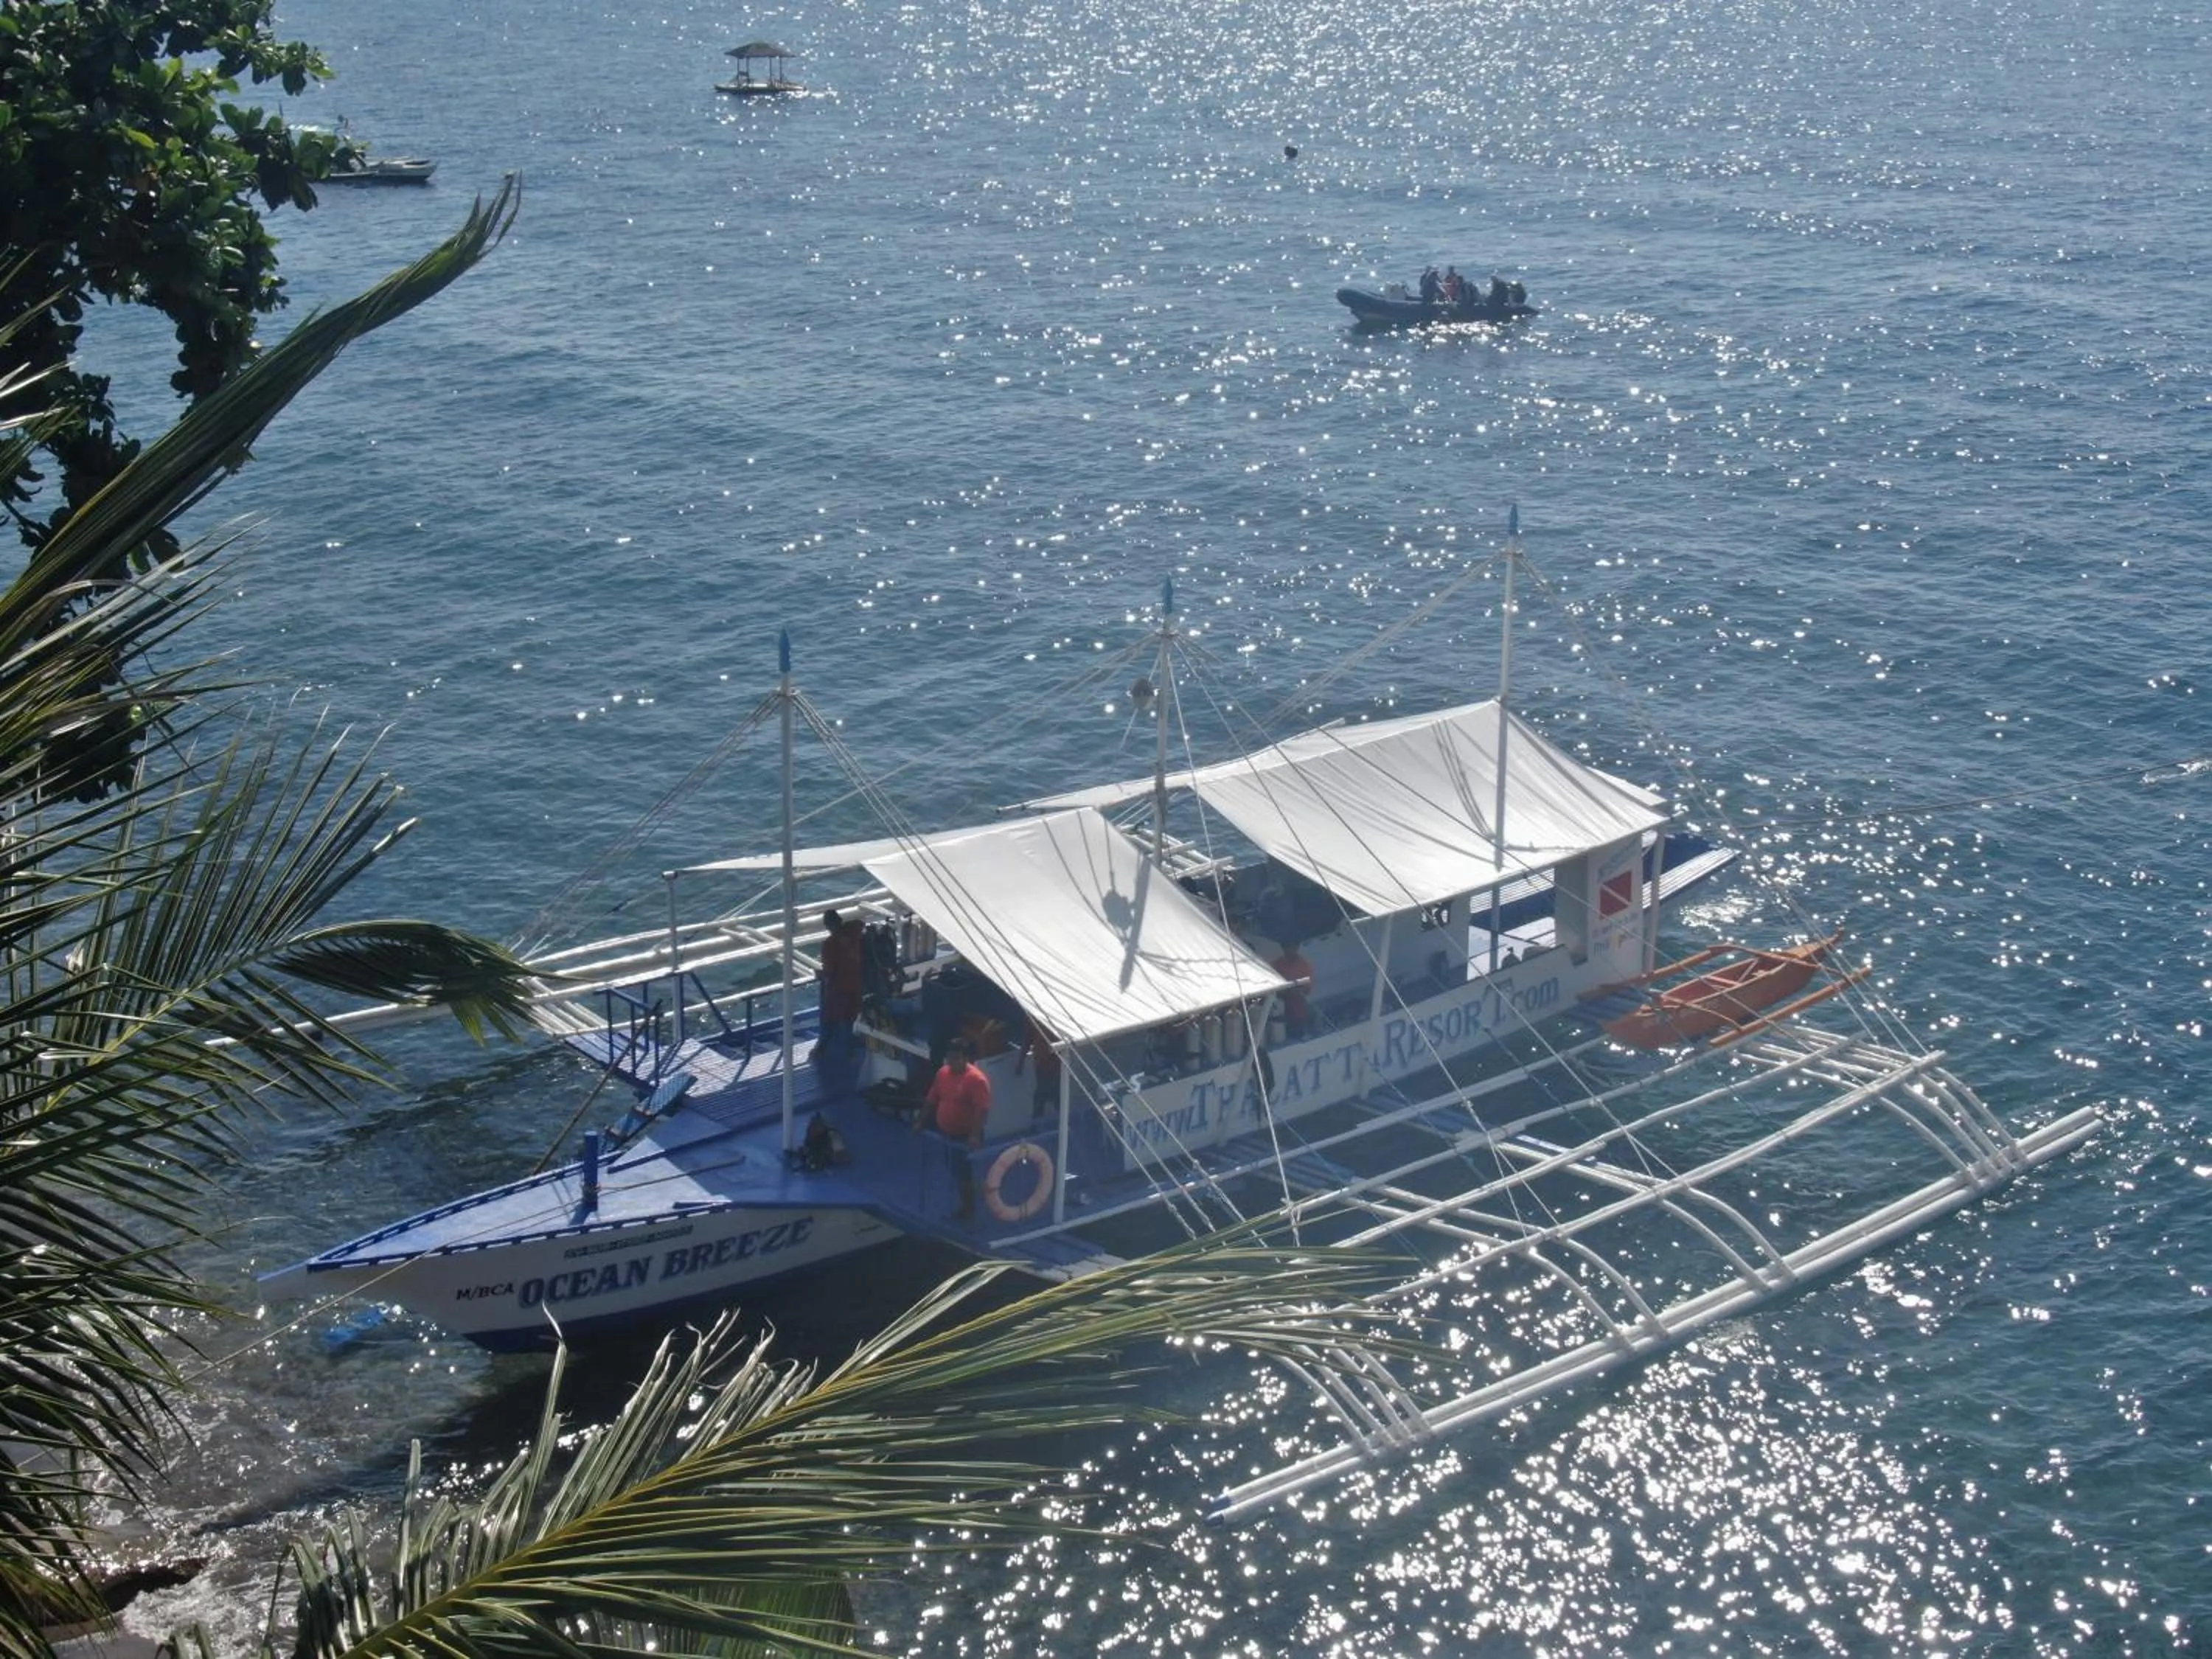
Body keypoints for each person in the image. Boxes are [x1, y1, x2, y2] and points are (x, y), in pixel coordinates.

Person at [921, 1037, 992, 1219]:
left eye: (957, 1057)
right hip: (948, 1135)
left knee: (968, 1174)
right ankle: (967, 1205)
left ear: (965, 1058)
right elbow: (932, 1098)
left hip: (966, 1136)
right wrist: (920, 1121)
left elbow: (982, 1109)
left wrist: (975, 1136)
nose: (952, 1062)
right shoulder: (942, 1074)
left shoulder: (976, 1080)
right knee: (956, 1172)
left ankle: (974, 1209)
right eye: (950, 1057)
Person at [815, 908, 865, 1075]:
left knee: (831, 1019)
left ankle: (823, 1049)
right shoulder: (854, 933)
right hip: (856, 984)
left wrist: (820, 974)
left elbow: (829, 971)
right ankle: (852, 1051)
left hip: (838, 988)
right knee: (851, 1018)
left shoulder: (830, 945)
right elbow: (860, 923)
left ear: (827, 925)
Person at [1271, 939, 1314, 1040]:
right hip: (1282, 1009)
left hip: (1299, 1010)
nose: (1290, 951)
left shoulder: (1305, 965)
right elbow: (1273, 988)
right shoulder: (1277, 965)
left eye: (1292, 948)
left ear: (1297, 948)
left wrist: (1297, 991)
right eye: (1287, 948)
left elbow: (1307, 990)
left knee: (1299, 1034)